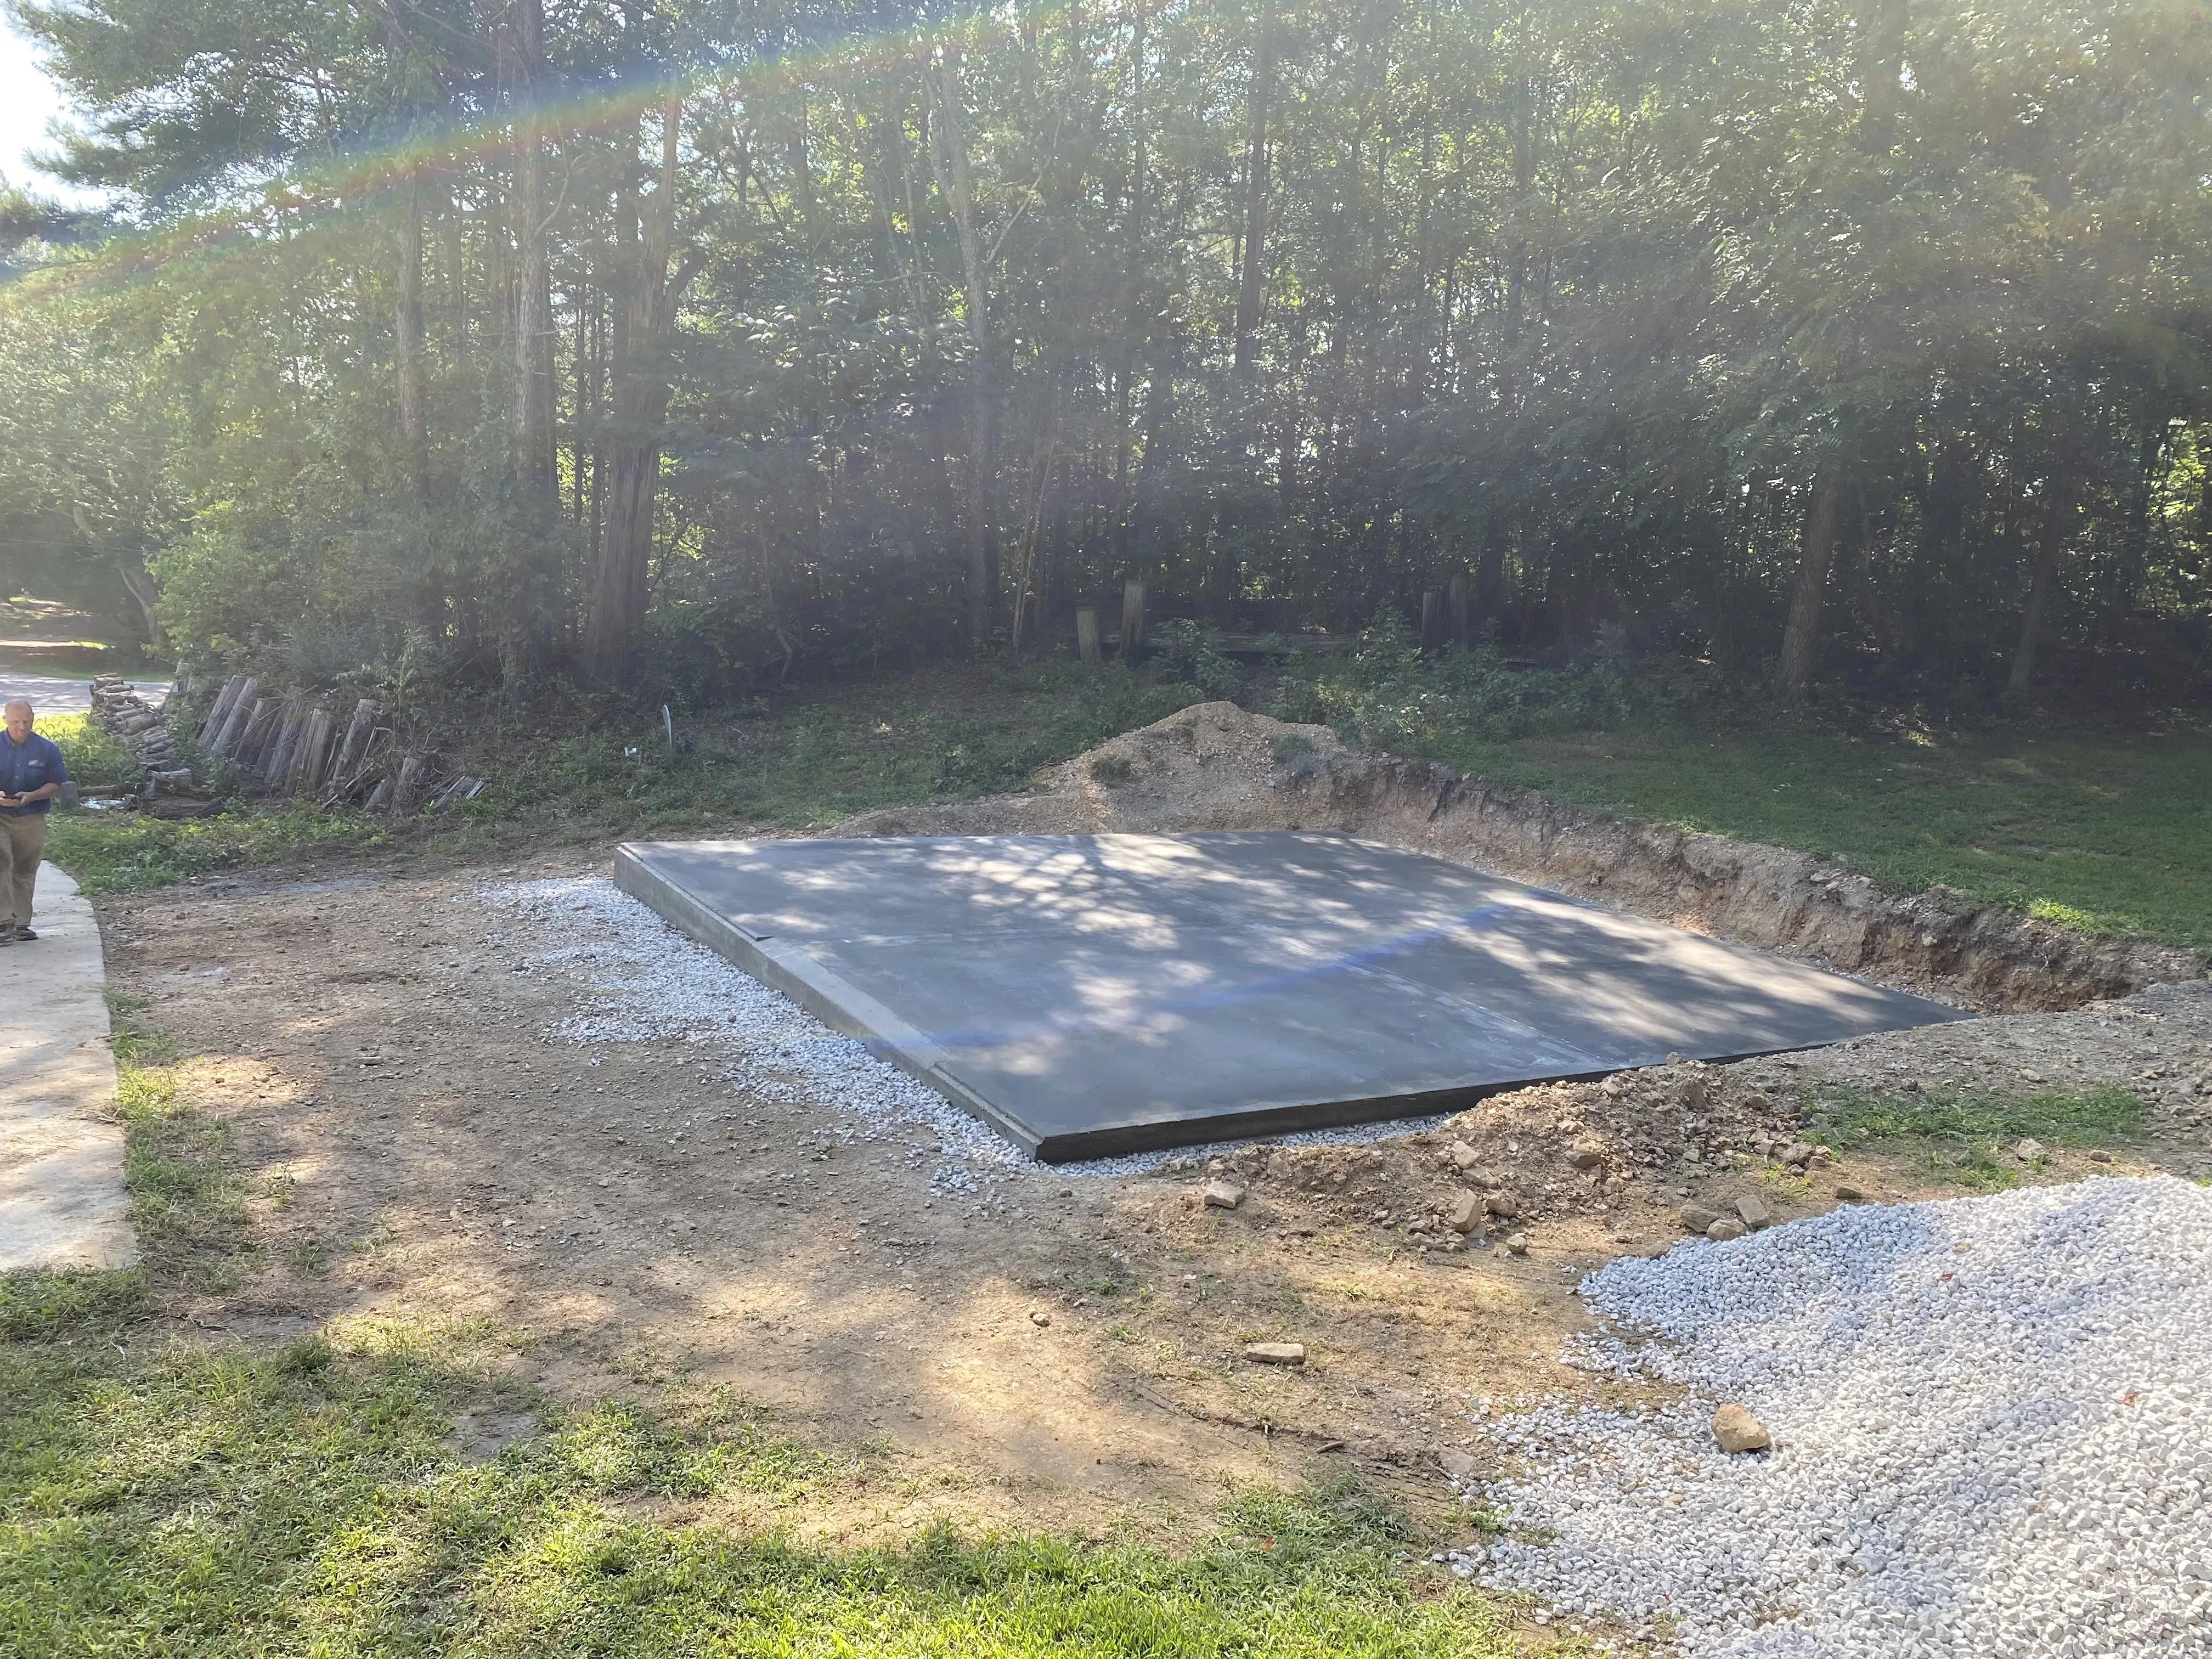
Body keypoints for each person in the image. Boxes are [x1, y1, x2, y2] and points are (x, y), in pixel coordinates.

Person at [0, 696, 68, 943]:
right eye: (16, 722)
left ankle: (21, 923)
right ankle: (3, 922)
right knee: (1, 862)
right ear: (5, 720)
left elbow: (56, 783)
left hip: (31, 816)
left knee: (25, 869)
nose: (22, 727)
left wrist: (32, 795)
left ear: (33, 720)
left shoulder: (47, 749)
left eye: (26, 721)